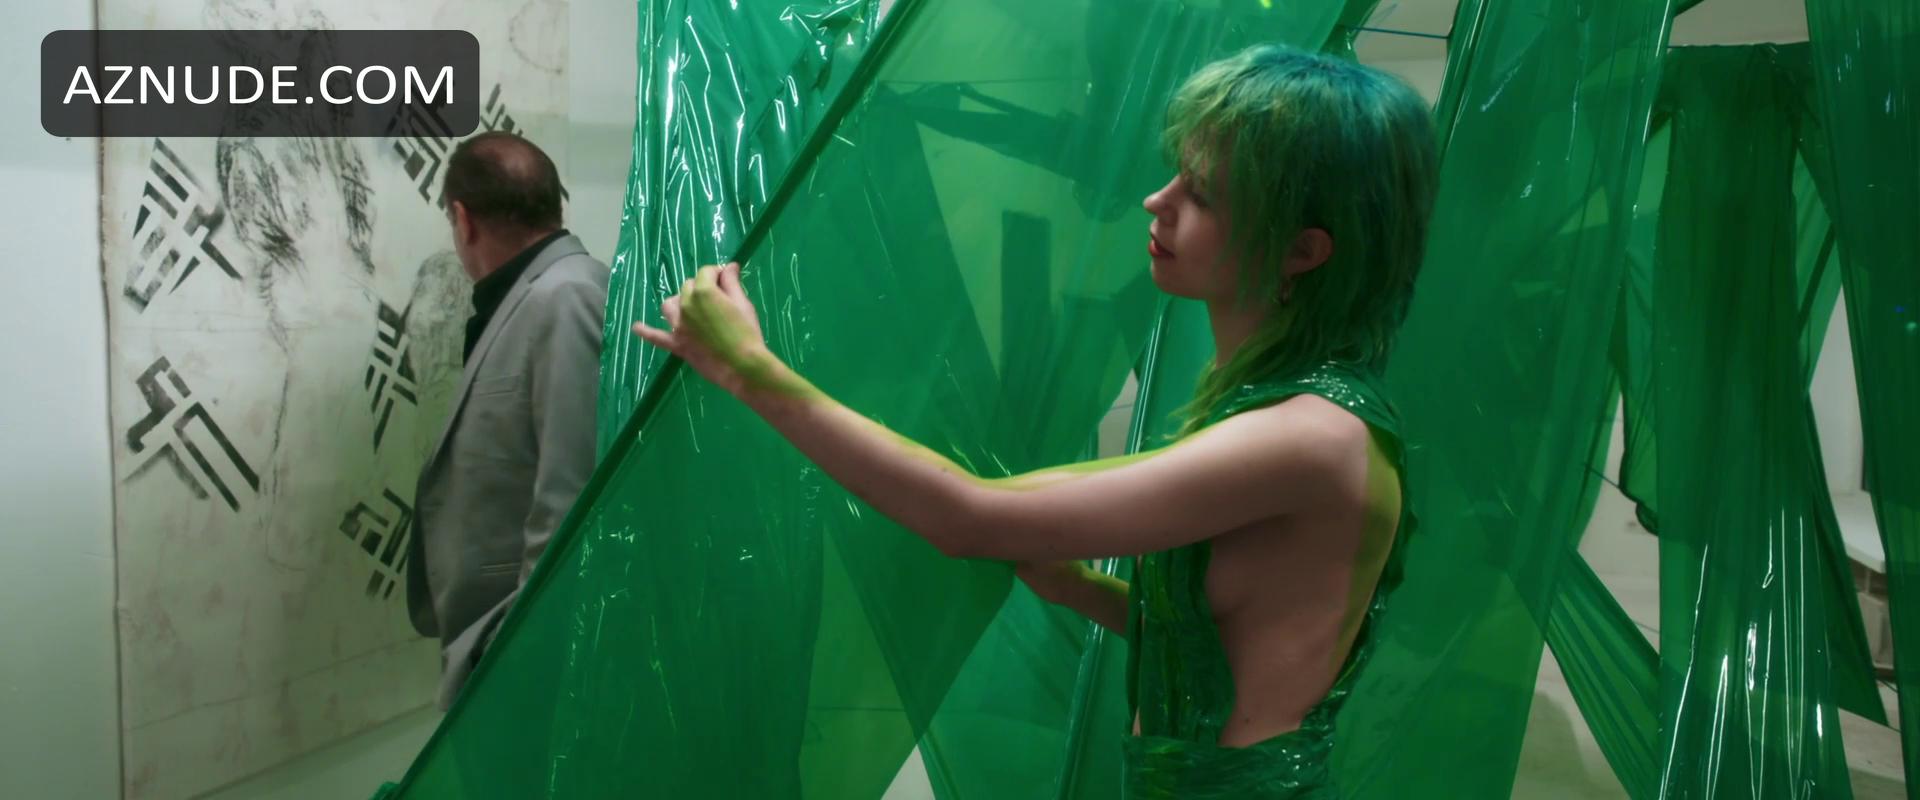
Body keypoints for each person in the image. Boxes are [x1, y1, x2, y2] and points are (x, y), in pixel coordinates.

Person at [633, 45, 1438, 798]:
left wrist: (749, 369)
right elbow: (1236, 645)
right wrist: (1084, 589)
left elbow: (967, 517)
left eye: (1202, 194)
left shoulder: (1310, 436)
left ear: (1302, 251)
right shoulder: (1282, 405)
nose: (1157, 202)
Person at [406, 132, 611, 710]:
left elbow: (570, 493)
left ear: (462, 219)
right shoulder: (538, 292)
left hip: (522, 655)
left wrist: (522, 652)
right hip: (500, 643)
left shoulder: (566, 296)